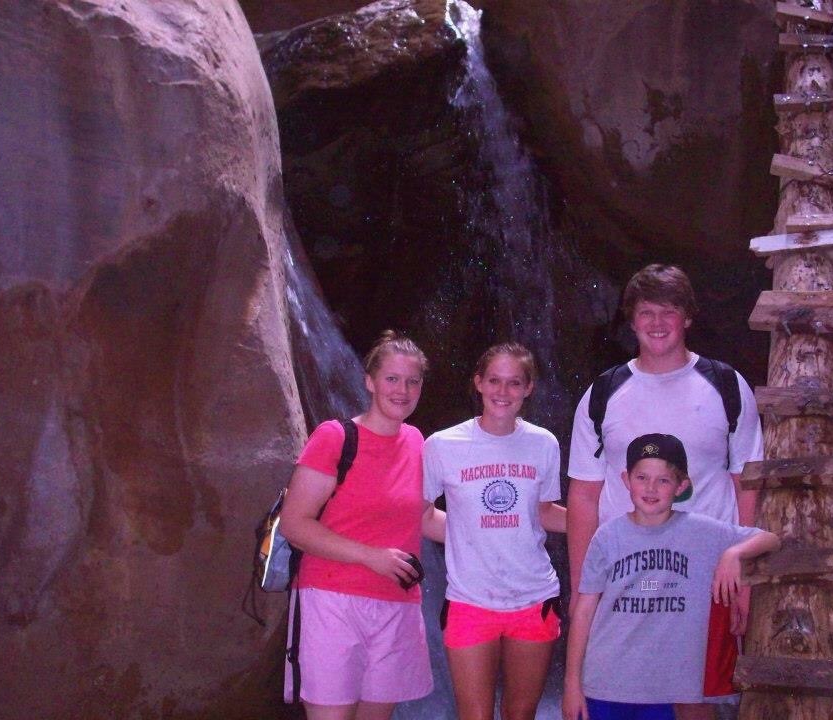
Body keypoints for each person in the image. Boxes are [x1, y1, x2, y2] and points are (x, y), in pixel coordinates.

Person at [567, 264, 764, 719]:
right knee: (622, 692)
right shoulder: (603, 393)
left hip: (706, 575)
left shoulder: (725, 386)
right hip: (624, 574)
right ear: (631, 320)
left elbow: (747, 484)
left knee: (695, 700)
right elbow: (583, 496)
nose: (657, 323)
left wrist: (746, 579)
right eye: (646, 312)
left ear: (687, 317)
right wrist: (581, 589)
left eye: (669, 311)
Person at [279, 330, 446, 720]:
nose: (402, 390)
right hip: (332, 602)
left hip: (397, 604)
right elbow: (294, 524)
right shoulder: (335, 438)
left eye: (412, 381)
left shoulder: (417, 442)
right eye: (392, 379)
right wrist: (371, 557)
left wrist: (495, 529)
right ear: (370, 381)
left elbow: (423, 518)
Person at [562, 434, 780, 720]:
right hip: (605, 682)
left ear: (681, 486)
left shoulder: (702, 532)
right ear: (626, 480)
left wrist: (733, 553)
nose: (651, 488)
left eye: (663, 480)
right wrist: (572, 684)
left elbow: (770, 539)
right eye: (642, 477)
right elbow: (584, 611)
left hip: (665, 690)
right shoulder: (607, 537)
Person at [423, 343, 568, 720]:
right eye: (494, 381)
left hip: (533, 596)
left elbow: (544, 513)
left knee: (521, 713)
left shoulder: (544, 443)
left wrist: (604, 522)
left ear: (528, 388)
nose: (503, 392)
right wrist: (468, 534)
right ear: (478, 383)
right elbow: (422, 518)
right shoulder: (442, 445)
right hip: (469, 600)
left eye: (514, 382)